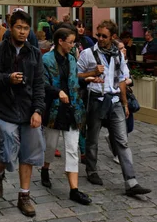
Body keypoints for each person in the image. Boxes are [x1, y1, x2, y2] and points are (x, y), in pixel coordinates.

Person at [0, 10, 45, 217]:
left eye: (26, 28)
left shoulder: (34, 53)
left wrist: (38, 110)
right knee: (7, 155)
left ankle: (24, 196)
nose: (23, 32)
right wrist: (7, 78)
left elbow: (39, 85)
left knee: (28, 154)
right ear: (11, 26)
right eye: (19, 27)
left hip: (27, 111)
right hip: (4, 110)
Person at [77, 20, 151, 197]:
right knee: (93, 138)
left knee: (122, 141)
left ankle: (131, 182)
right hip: (95, 99)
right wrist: (92, 73)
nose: (100, 39)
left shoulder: (118, 54)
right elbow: (76, 75)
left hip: (115, 101)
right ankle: (92, 170)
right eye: (98, 35)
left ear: (113, 37)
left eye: (104, 36)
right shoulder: (88, 54)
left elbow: (122, 81)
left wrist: (125, 104)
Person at [41, 28, 91, 205]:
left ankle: (74, 190)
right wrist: (58, 92)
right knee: (50, 146)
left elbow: (74, 80)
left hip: (72, 109)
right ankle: (45, 168)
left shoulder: (71, 58)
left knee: (71, 150)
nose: (73, 45)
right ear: (60, 41)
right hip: (54, 109)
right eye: (70, 42)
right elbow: (43, 84)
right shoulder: (46, 59)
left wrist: (88, 79)